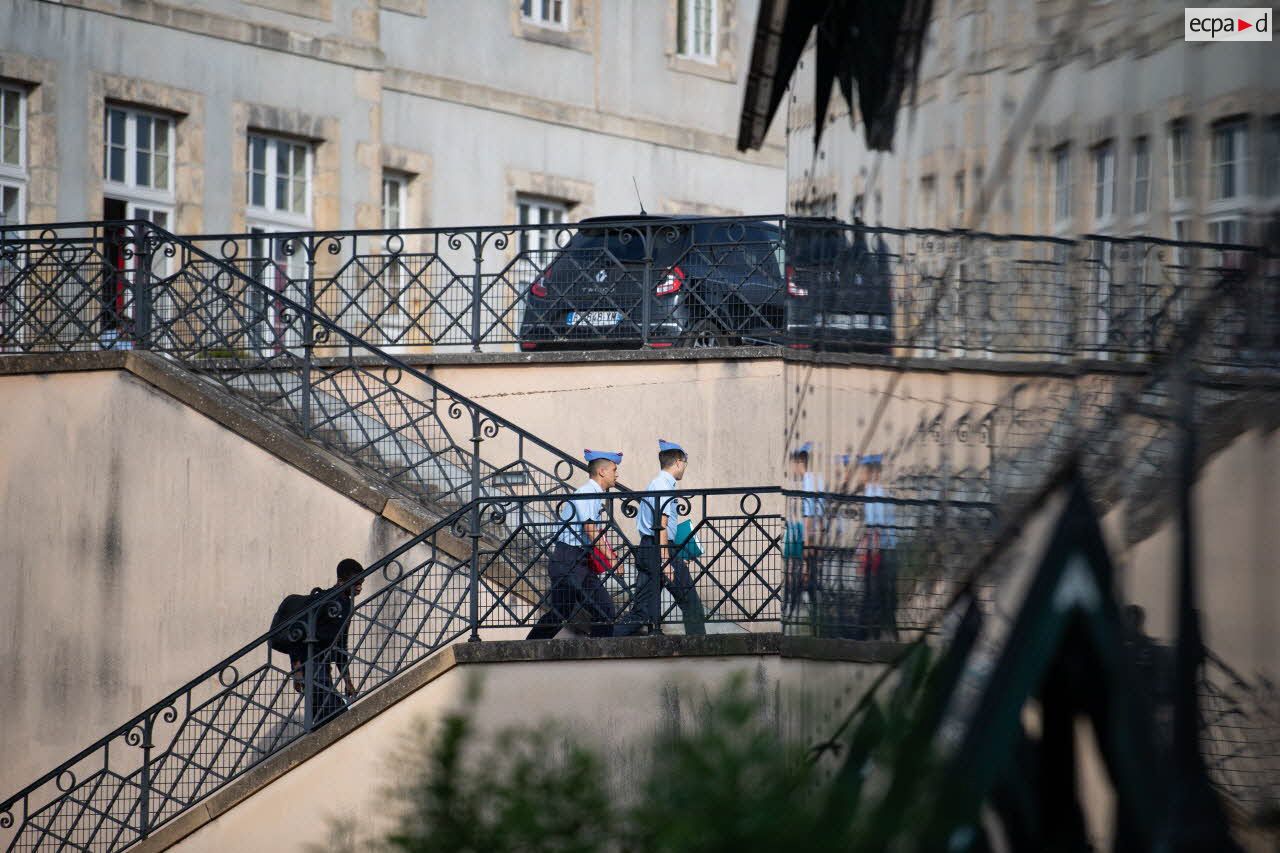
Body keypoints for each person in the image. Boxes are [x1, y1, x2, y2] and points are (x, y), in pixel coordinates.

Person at [527, 450, 621, 639]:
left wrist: (609, 554)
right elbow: (590, 529)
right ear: (602, 471)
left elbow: (593, 532)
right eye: (614, 469)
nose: (616, 474)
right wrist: (611, 558)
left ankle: (598, 655)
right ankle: (526, 648)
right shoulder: (587, 492)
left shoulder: (594, 494)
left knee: (603, 610)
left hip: (578, 560)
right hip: (568, 559)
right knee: (562, 613)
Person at [616, 440, 706, 636]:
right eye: (685, 464)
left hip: (653, 548)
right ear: (678, 462)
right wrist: (666, 560)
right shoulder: (662, 484)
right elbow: (661, 525)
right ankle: (699, 649)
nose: (684, 469)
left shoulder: (658, 483)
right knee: (691, 604)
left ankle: (609, 638)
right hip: (660, 549)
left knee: (641, 611)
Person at [290, 557, 363, 727]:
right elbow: (297, 632)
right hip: (310, 663)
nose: (360, 587)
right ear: (340, 581)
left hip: (323, 666)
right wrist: (297, 669)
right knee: (338, 715)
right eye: (356, 582)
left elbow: (341, 644)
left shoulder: (347, 605)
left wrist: (347, 680)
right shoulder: (323, 600)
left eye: (362, 582)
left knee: (325, 718)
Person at [856, 455, 897, 640]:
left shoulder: (874, 493)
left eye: (864, 471)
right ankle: (877, 630)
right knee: (878, 590)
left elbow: (876, 527)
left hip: (879, 550)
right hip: (881, 548)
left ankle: (873, 631)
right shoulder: (875, 492)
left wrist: (868, 551)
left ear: (873, 473)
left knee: (874, 590)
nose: (861, 475)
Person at [784, 442, 824, 623]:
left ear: (800, 462)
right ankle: (809, 618)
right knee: (809, 583)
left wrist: (807, 549)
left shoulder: (808, 482)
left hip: (803, 541)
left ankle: (794, 617)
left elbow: (808, 519)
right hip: (811, 540)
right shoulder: (818, 481)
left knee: (797, 581)